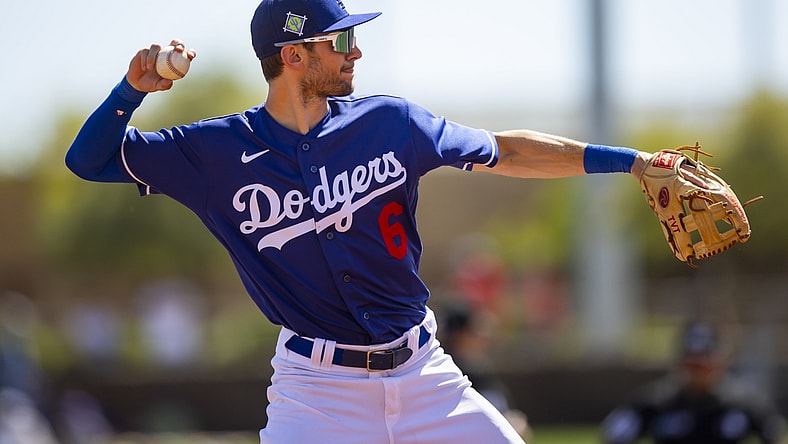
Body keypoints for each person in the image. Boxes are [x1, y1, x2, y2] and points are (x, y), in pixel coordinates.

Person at [65, 0, 652, 442]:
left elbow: (508, 150)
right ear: (294, 55)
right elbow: (87, 161)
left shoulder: (393, 123)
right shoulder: (214, 153)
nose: (356, 50)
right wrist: (130, 91)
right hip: (316, 394)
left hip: (425, 375)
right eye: (340, 38)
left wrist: (633, 163)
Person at [601, 321, 786, 444]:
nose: (698, 371)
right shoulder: (654, 402)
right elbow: (613, 436)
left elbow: (776, 437)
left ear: (721, 361)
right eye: (692, 363)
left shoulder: (746, 402)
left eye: (704, 364)